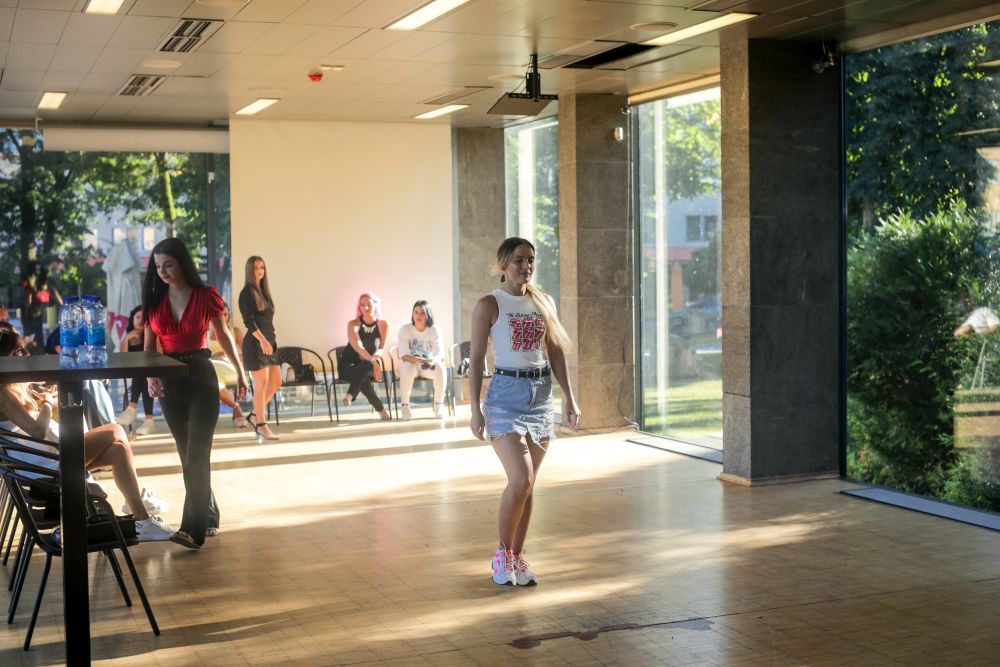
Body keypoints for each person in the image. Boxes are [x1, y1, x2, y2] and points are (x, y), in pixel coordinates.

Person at [469, 237, 580, 587]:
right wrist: (474, 409)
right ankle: (502, 556)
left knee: (528, 486)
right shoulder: (489, 304)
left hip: (541, 397)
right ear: (503, 263)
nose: (526, 266)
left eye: (530, 260)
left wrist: (569, 397)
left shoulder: (544, 301)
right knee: (520, 479)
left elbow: (555, 352)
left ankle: (517, 559)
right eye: (519, 260)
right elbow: (476, 359)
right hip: (505, 397)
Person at [0, 331, 173, 541]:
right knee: (116, 431)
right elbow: (37, 431)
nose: (26, 354)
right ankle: (136, 506)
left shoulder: (8, 390)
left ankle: (141, 518)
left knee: (119, 450)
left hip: (42, 462)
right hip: (44, 468)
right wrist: (46, 403)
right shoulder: (3, 393)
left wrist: (45, 402)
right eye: (20, 350)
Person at [143, 238, 248, 550]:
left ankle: (192, 529)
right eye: (158, 266)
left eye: (168, 265)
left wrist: (240, 371)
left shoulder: (206, 295)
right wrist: (151, 375)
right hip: (170, 383)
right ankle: (209, 513)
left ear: (182, 263)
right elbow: (149, 348)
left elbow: (224, 335)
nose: (162, 271)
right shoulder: (154, 300)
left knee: (198, 453)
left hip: (202, 376)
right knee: (188, 454)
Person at [238, 256, 280, 441]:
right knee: (261, 385)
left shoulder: (264, 291)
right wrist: (263, 341)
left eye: (262, 267)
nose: (260, 271)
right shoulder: (246, 293)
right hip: (256, 344)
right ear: (250, 270)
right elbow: (249, 322)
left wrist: (269, 341)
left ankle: (255, 415)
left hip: (270, 342)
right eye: (256, 268)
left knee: (276, 382)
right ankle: (261, 425)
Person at [341, 293, 391, 420]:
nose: (366, 308)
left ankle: (350, 395)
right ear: (359, 307)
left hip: (366, 365)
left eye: (369, 304)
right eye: (362, 305)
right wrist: (375, 363)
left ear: (376, 305)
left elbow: (381, 348)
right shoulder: (353, 324)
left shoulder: (384, 325)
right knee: (363, 375)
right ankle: (380, 409)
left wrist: (373, 361)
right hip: (347, 365)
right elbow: (359, 348)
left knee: (364, 368)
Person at [397, 300, 446, 419]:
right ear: (412, 314)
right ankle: (405, 407)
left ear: (428, 314)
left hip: (427, 366)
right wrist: (415, 359)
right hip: (411, 365)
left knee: (440, 366)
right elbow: (403, 355)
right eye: (416, 312)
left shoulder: (434, 330)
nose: (418, 315)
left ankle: (438, 406)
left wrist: (432, 360)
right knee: (406, 366)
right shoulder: (405, 329)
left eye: (422, 313)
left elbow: (439, 354)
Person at [116, 306, 156, 435]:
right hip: (138, 373)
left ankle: (132, 408)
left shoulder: (151, 335)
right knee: (141, 375)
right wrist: (127, 337)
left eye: (143, 318)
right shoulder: (129, 336)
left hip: (152, 371)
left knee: (143, 374)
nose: (140, 320)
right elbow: (123, 356)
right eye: (137, 317)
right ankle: (148, 420)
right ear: (132, 320)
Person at [208, 303, 247, 429]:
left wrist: (232, 357)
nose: (222, 317)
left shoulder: (234, 331)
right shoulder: (205, 335)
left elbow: (247, 353)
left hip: (232, 368)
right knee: (211, 374)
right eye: (219, 314)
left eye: (225, 314)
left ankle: (235, 407)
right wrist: (213, 356)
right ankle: (235, 406)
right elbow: (202, 356)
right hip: (214, 369)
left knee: (210, 374)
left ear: (228, 316)